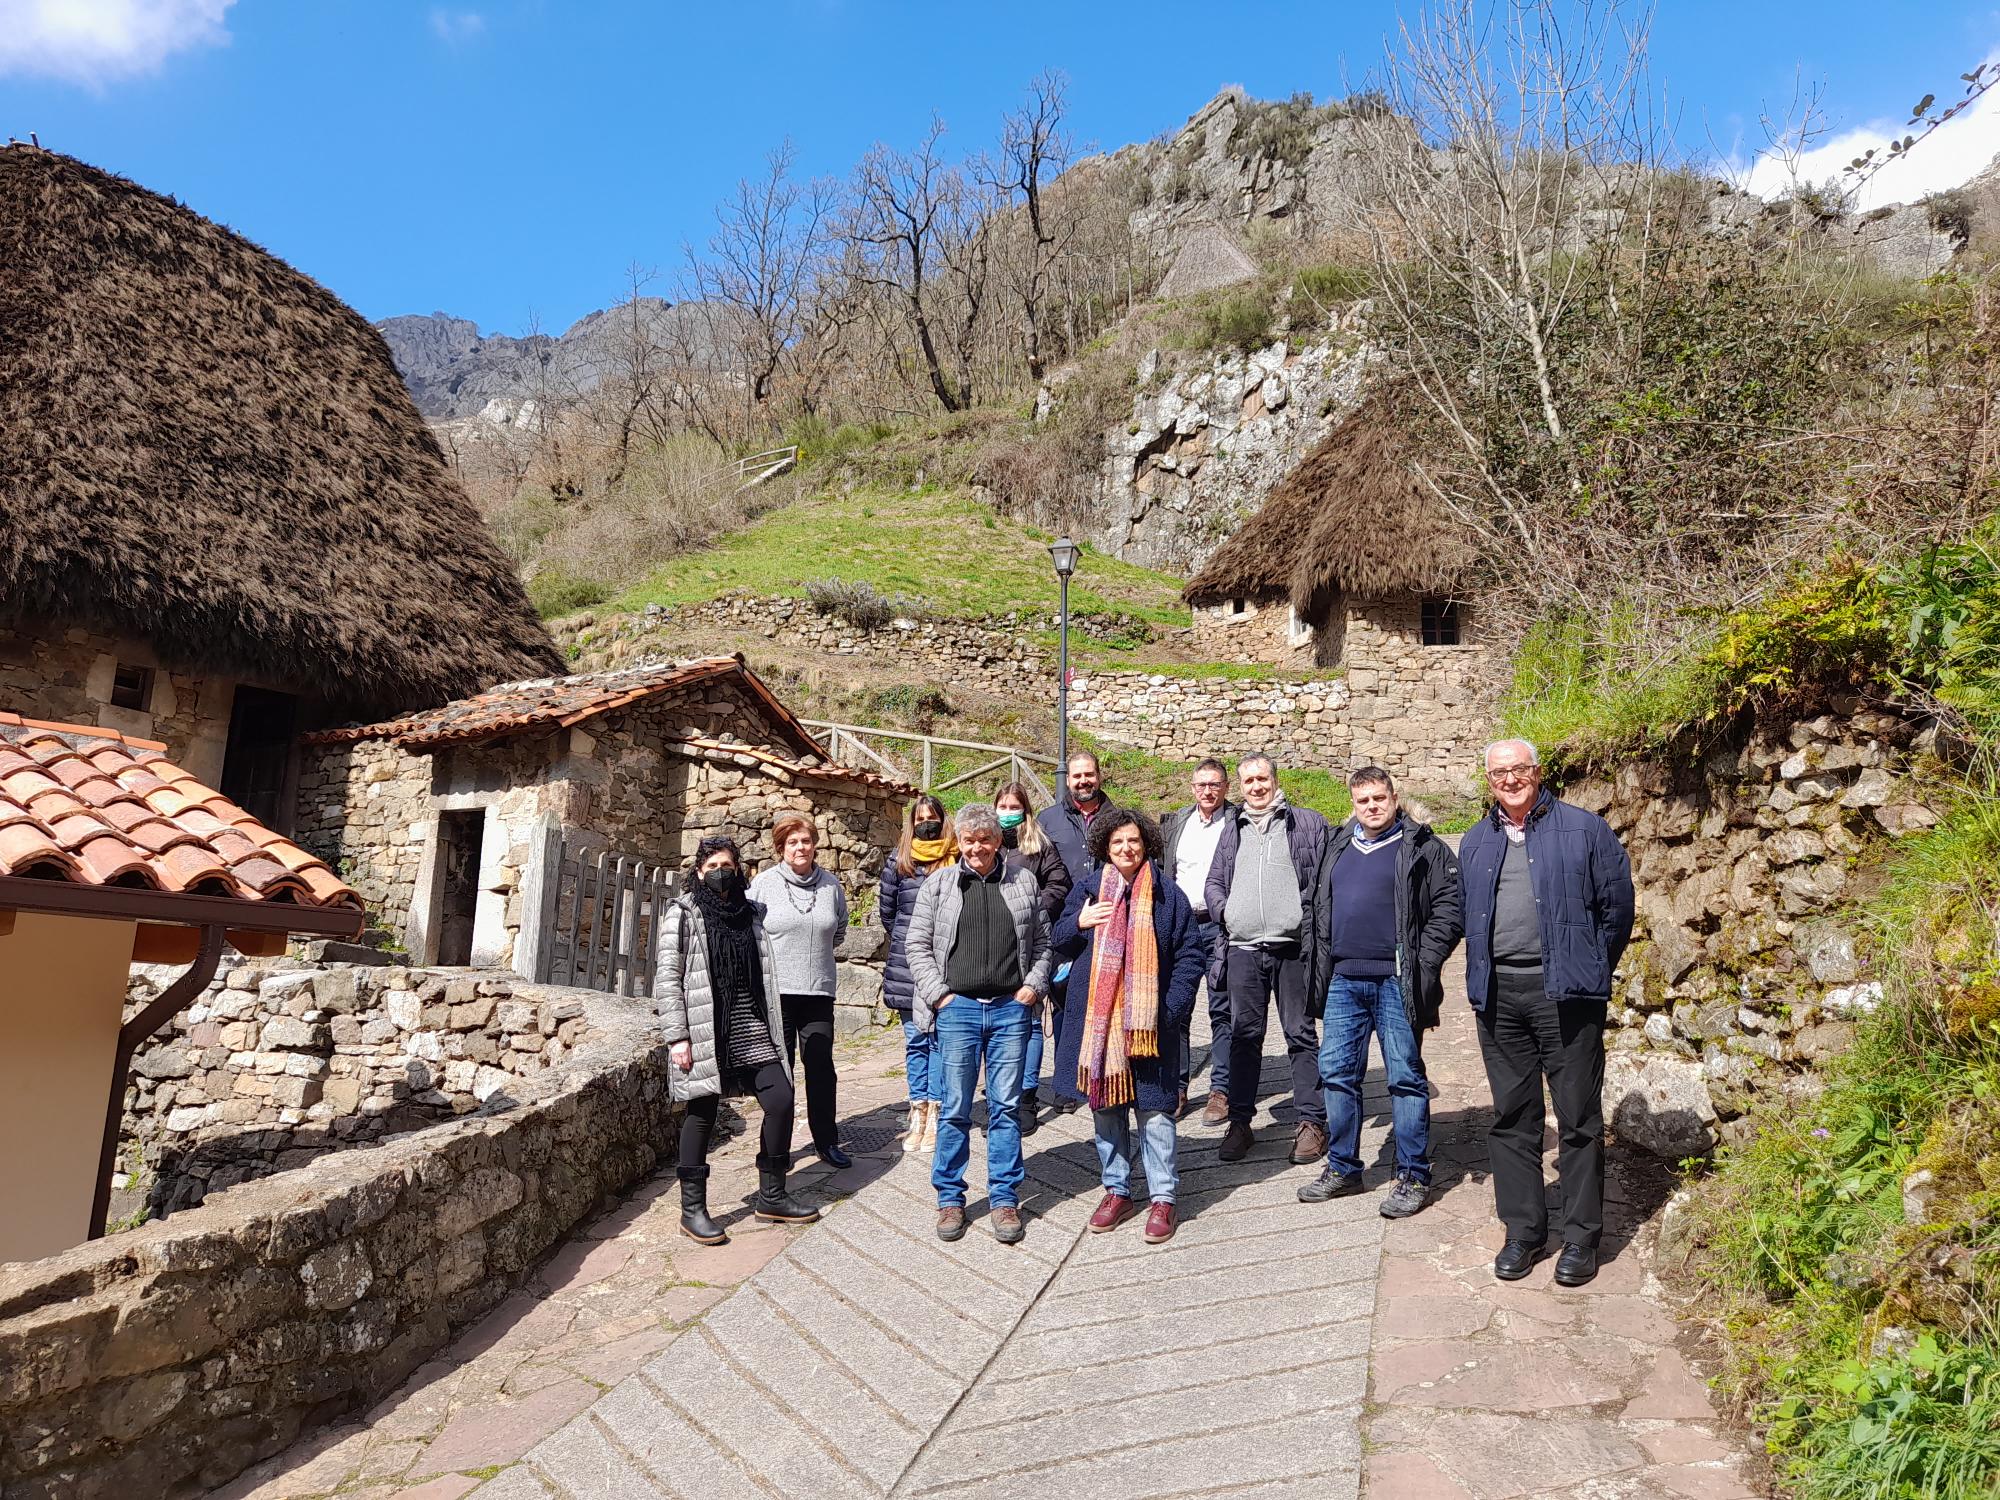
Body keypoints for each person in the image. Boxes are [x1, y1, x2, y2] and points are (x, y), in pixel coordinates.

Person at [1459, 738, 1634, 1287]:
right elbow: (1467, 915)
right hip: (1499, 997)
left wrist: (1586, 965)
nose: (1509, 780)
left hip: (1566, 995)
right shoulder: (1476, 841)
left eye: (1518, 769)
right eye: (1499, 773)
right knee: (1512, 1117)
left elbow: (1617, 909)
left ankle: (1581, 1238)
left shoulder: (1585, 830)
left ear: (1537, 772)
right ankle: (1523, 1231)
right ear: (1489, 781)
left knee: (1578, 1118)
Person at [1302, 767, 1463, 1218]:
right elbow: (1315, 903)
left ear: (1394, 797)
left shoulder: (1423, 846)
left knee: (1405, 1078)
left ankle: (1413, 1175)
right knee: (1336, 1073)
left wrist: (1423, 962)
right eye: (1363, 800)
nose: (1372, 806)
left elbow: (1450, 909)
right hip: (1343, 980)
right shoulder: (1337, 845)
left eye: (1379, 798)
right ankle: (1343, 1168)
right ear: (1352, 803)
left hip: (1397, 982)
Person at [1051, 808, 1208, 1245]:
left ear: (1147, 845)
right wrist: (1079, 922)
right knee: (1105, 1109)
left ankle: (1163, 1198)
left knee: (1155, 1112)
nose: (1126, 848)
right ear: (1105, 846)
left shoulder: (1167, 895)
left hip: (1148, 1026)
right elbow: (1058, 940)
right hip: (1099, 1027)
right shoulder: (1087, 890)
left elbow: (1190, 956)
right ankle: (1117, 1191)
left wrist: (1168, 1011)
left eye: (1134, 841)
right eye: (1117, 841)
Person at [656, 835, 819, 1245]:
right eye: (711, 867)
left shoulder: (752, 914)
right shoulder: (682, 914)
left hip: (751, 1024)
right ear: (699, 873)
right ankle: (692, 1210)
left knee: (781, 1100)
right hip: (706, 1028)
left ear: (738, 869)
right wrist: (677, 1037)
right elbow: (668, 979)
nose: (720, 873)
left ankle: (772, 1195)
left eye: (726, 866)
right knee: (701, 1112)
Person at [906, 803, 1051, 1246]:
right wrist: (940, 996)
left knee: (1005, 1107)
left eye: (984, 840)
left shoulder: (1023, 881)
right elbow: (916, 944)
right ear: (960, 843)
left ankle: (1004, 1198)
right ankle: (950, 1197)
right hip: (958, 1011)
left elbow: (1043, 943)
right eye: (969, 840)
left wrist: (1032, 986)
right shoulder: (939, 884)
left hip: (1010, 1009)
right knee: (954, 1108)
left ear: (998, 841)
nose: (977, 848)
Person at [1204, 752, 1333, 1167]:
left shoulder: (1305, 823)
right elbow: (1214, 880)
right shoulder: (1232, 828)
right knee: (1244, 1037)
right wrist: (1227, 913)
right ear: (1240, 786)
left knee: (1300, 1033)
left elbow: (1324, 878)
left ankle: (1312, 1121)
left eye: (1262, 779)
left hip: (1292, 948)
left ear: (1275, 780)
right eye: (1249, 781)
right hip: (1243, 949)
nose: (1256, 787)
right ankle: (1240, 1122)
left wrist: (1304, 917)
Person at [747, 810, 852, 1169]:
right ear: (781, 848)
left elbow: (839, 930)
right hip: (776, 994)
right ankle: (776, 1149)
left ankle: (827, 1141)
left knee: (820, 1068)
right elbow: (750, 933)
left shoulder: (831, 886)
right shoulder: (763, 885)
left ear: (815, 845)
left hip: (818, 990)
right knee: (779, 1071)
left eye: (806, 841)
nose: (800, 847)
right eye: (792, 842)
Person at [1036, 749, 1119, 1118]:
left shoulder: (1117, 817)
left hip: (1108, 921)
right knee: (1063, 1001)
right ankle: (1067, 1082)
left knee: (1107, 1000)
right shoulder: (1047, 820)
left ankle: (1104, 1073)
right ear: (1067, 780)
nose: (1084, 781)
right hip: (1064, 924)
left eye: (1089, 774)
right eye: (1077, 776)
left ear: (1099, 776)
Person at [880, 795, 957, 1156]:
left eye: (932, 817)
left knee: (940, 1040)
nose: (927, 823)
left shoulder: (956, 857)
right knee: (915, 1041)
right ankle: (919, 1110)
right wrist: (911, 942)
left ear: (943, 820)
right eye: (920, 818)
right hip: (906, 965)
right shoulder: (899, 861)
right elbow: (888, 913)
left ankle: (938, 1111)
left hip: (946, 963)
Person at [1162, 758, 1236, 1123]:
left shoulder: (1237, 822)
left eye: (1214, 784)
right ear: (1192, 788)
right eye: (1201, 785)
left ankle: (1221, 1090)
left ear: (1226, 787)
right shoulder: (1177, 822)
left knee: (1223, 1009)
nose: (1207, 791)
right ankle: (1177, 1087)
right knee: (1178, 1008)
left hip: (1220, 927)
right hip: (1182, 927)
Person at [997, 780, 1072, 1136]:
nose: (1008, 813)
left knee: (1029, 1020)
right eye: (1003, 807)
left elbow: (1059, 884)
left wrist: (1031, 910)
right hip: (992, 946)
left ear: (1025, 810)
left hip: (1030, 942)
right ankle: (1002, 1096)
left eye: (1015, 807)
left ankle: (1027, 1097)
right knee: (997, 1023)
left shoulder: (1040, 844)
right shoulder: (987, 843)